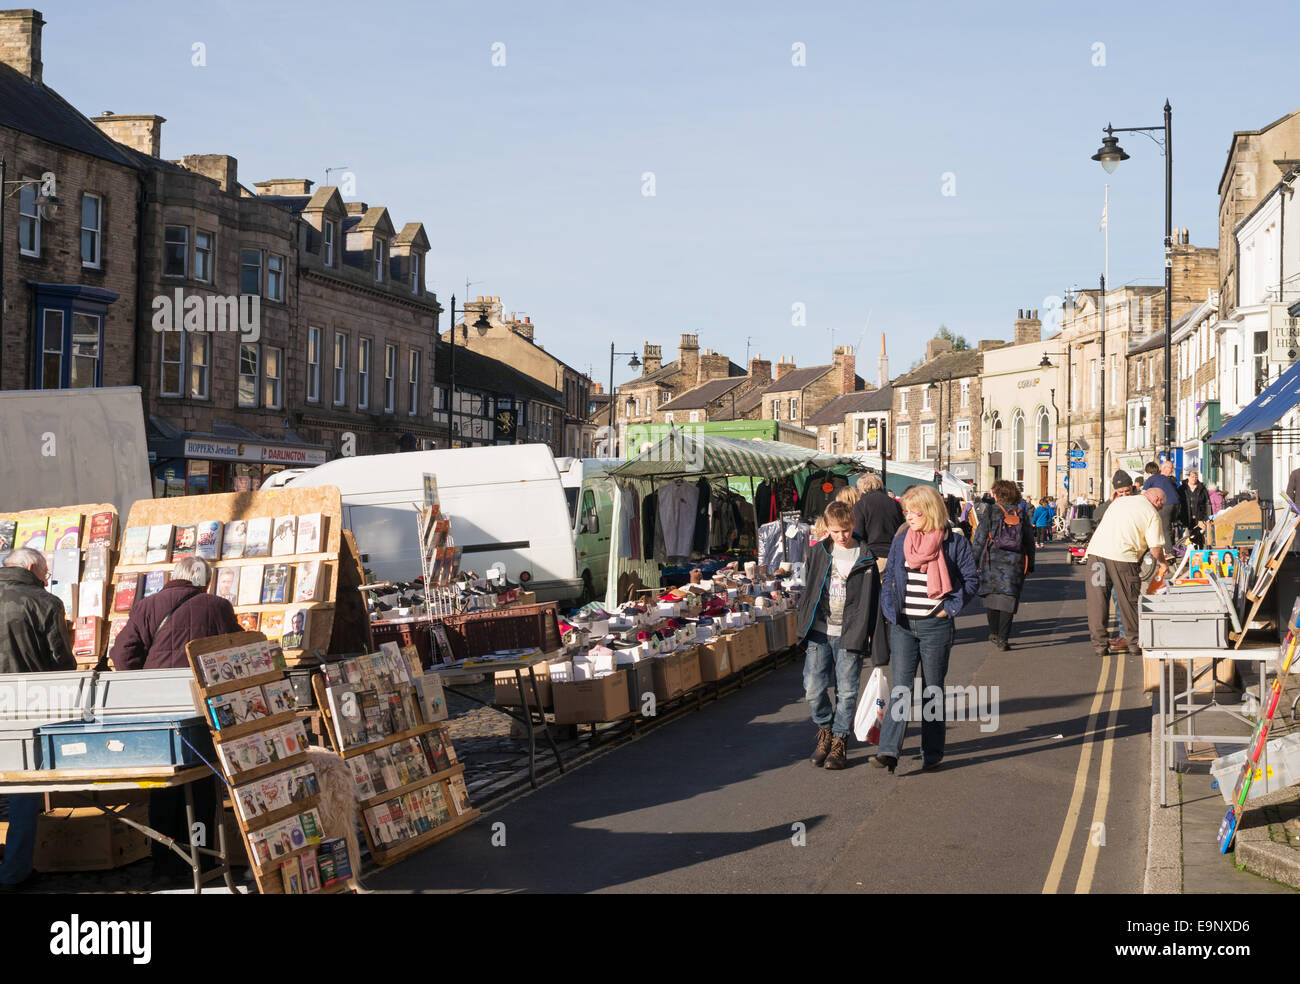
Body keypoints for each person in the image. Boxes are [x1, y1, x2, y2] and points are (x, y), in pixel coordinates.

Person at [109, 556, 240, 882]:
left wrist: (144, 683)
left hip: (157, 709)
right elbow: (235, 648)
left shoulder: (145, 605)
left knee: (164, 785)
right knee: (201, 783)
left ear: (174, 577)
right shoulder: (217, 606)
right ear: (204, 581)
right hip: (200, 707)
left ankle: (165, 861)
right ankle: (202, 858)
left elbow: (122, 653)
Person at [875, 485, 978, 772]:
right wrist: (889, 611)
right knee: (900, 689)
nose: (908, 516)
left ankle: (931, 752)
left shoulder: (954, 543)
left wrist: (950, 608)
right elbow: (890, 580)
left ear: (929, 510)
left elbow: (971, 580)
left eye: (913, 510)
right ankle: (888, 751)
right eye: (905, 510)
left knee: (932, 690)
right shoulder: (901, 541)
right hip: (904, 626)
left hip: (936, 626)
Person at [0, 548, 77, 891]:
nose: (47, 579)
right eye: (46, 573)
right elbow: (62, 665)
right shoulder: (45, 602)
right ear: (32, 568)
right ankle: (14, 872)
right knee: (23, 792)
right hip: (25, 708)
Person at [795, 501, 886, 771]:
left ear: (853, 525)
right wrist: (803, 622)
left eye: (845, 530)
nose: (841, 536)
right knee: (812, 689)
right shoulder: (819, 552)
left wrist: (871, 634)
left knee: (847, 692)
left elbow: (873, 600)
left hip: (850, 633)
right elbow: (810, 588)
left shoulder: (866, 556)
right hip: (820, 630)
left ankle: (839, 742)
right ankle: (825, 729)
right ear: (827, 528)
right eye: (835, 532)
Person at [1084, 486, 1169, 658]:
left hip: (1096, 554)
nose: (1159, 509)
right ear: (1157, 501)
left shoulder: (1120, 501)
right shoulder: (1151, 513)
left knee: (1097, 601)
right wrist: (1163, 563)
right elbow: (1155, 548)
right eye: (1161, 506)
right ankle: (1134, 644)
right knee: (1128, 601)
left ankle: (1100, 646)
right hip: (1123, 558)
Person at [970, 480, 1036, 651]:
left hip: (991, 562)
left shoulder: (991, 511)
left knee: (991, 598)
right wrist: (1030, 565)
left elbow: (980, 538)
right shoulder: (1021, 512)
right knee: (1009, 599)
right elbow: (1029, 540)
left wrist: (973, 562)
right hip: (1014, 563)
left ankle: (993, 632)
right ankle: (1003, 639)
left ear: (999, 494)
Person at [1094, 471, 1136, 652]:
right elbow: (1096, 516)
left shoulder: (1138, 503)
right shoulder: (1110, 505)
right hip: (1104, 556)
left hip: (1126, 557)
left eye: (1127, 491)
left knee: (1123, 599)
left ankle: (1126, 636)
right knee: (1103, 598)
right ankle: (1107, 640)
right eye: (1120, 493)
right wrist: (1112, 503)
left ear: (1133, 489)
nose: (1124, 495)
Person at [852, 472, 905, 575]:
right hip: (893, 554)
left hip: (872, 555)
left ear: (861, 487)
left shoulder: (861, 505)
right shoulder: (894, 503)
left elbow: (858, 533)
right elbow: (901, 528)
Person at [1144, 460, 1181, 549]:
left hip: (1166, 505)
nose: (1172, 470)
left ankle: (1169, 553)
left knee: (1164, 529)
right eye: (1171, 468)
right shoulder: (1165, 478)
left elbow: (1143, 494)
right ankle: (1173, 547)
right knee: (1169, 527)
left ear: (1149, 473)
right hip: (1177, 505)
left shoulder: (1151, 479)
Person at [1180, 470, 1211, 548]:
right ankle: (1190, 554)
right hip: (1187, 517)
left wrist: (1207, 517)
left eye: (1196, 477)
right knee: (1189, 537)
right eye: (1192, 477)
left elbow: (1207, 503)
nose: (1194, 479)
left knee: (1199, 536)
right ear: (1188, 477)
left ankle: (1199, 553)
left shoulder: (1202, 488)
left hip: (1200, 517)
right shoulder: (1183, 488)